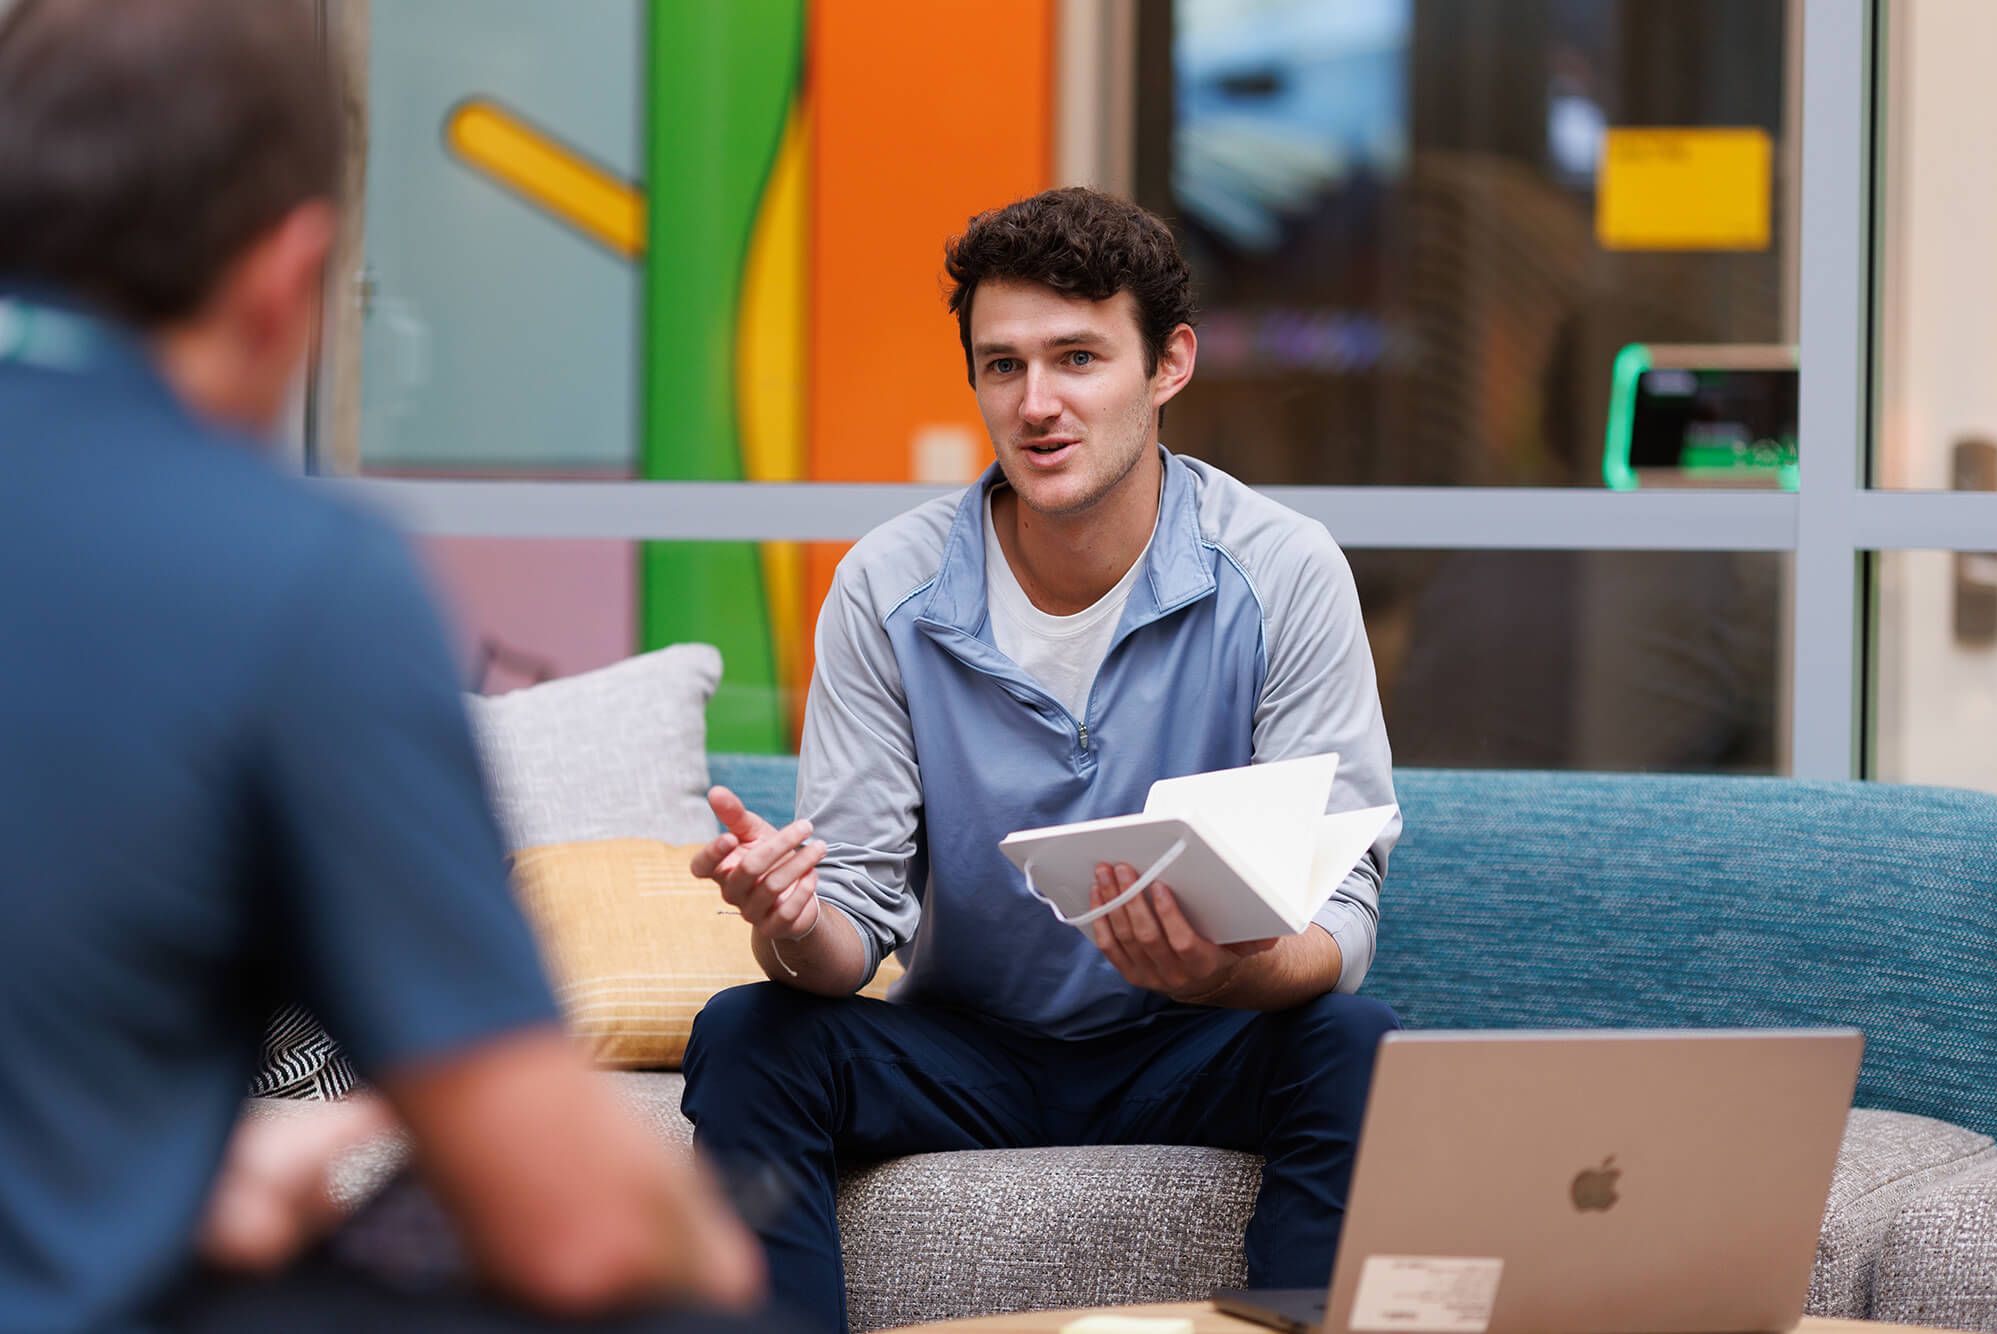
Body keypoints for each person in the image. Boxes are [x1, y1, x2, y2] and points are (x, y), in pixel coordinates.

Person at [0, 1, 767, 1328]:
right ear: (289, 276)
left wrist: (187, 1177)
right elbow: (573, 1219)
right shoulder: (283, 571)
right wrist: (711, 1260)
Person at [682, 187, 1404, 1333]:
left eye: (1077, 357)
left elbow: (1343, 915)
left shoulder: (1281, 571)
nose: (1036, 403)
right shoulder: (889, 587)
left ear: (1168, 363)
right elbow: (853, 924)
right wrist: (789, 917)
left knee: (1354, 1044)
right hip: (971, 1048)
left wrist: (1222, 973)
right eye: (1001, 366)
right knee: (747, 1032)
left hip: (1196, 1043)